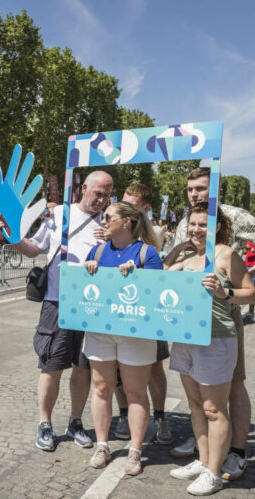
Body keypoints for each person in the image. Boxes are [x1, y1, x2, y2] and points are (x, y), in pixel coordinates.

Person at [168, 167, 255, 480]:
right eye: (191, 189)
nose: (195, 194)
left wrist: (239, 277)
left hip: (222, 313)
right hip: (187, 317)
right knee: (199, 393)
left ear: (215, 190)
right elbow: (175, 262)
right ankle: (205, 448)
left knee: (232, 387)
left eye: (202, 188)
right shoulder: (186, 219)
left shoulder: (233, 215)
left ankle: (237, 452)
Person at [0, 170, 113, 452]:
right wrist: (9, 235)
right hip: (57, 303)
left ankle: (75, 423)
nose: (101, 199)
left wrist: (111, 239)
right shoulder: (60, 213)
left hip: (92, 306)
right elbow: (33, 249)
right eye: (97, 193)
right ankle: (45, 424)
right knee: (51, 368)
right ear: (83, 188)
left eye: (106, 195)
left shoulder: (110, 221)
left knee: (82, 369)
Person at [165, 203, 255, 495]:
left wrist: (224, 292)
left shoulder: (226, 254)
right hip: (185, 338)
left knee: (213, 409)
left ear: (217, 226)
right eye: (192, 224)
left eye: (203, 224)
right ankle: (203, 461)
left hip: (216, 339)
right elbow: (160, 273)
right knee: (195, 406)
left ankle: (214, 473)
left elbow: (251, 293)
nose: (196, 229)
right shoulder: (191, 258)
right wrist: (177, 249)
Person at [80, 201, 164, 475]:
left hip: (136, 333)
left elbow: (156, 293)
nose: (104, 221)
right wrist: (87, 267)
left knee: (136, 393)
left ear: (127, 221)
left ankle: (135, 451)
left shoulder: (147, 253)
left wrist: (137, 276)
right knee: (101, 388)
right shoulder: (98, 249)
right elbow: (84, 287)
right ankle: (102, 445)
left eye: (109, 217)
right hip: (100, 330)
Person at [113, 183, 173, 445]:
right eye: (123, 203)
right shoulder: (116, 223)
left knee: (154, 365)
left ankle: (159, 417)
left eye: (132, 205)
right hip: (117, 305)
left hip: (147, 309)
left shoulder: (153, 232)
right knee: (116, 366)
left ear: (145, 208)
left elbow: (152, 257)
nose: (126, 209)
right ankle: (124, 414)